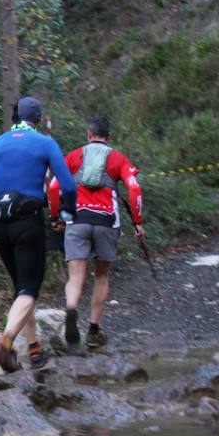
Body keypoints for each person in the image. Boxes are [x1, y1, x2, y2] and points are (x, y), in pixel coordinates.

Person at [0, 96, 77, 372]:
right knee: (29, 290)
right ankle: (5, 342)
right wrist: (67, 213)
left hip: (0, 225)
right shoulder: (45, 143)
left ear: (15, 117)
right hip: (28, 223)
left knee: (21, 289)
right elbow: (68, 186)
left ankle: (34, 351)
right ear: (38, 119)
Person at [47, 116, 144, 350]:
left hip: (77, 220)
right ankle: (93, 330)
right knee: (101, 276)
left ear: (89, 134)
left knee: (75, 276)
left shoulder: (73, 156)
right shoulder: (118, 158)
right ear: (108, 137)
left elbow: (53, 187)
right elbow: (134, 188)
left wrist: (55, 217)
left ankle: (71, 309)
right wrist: (138, 222)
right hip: (106, 222)